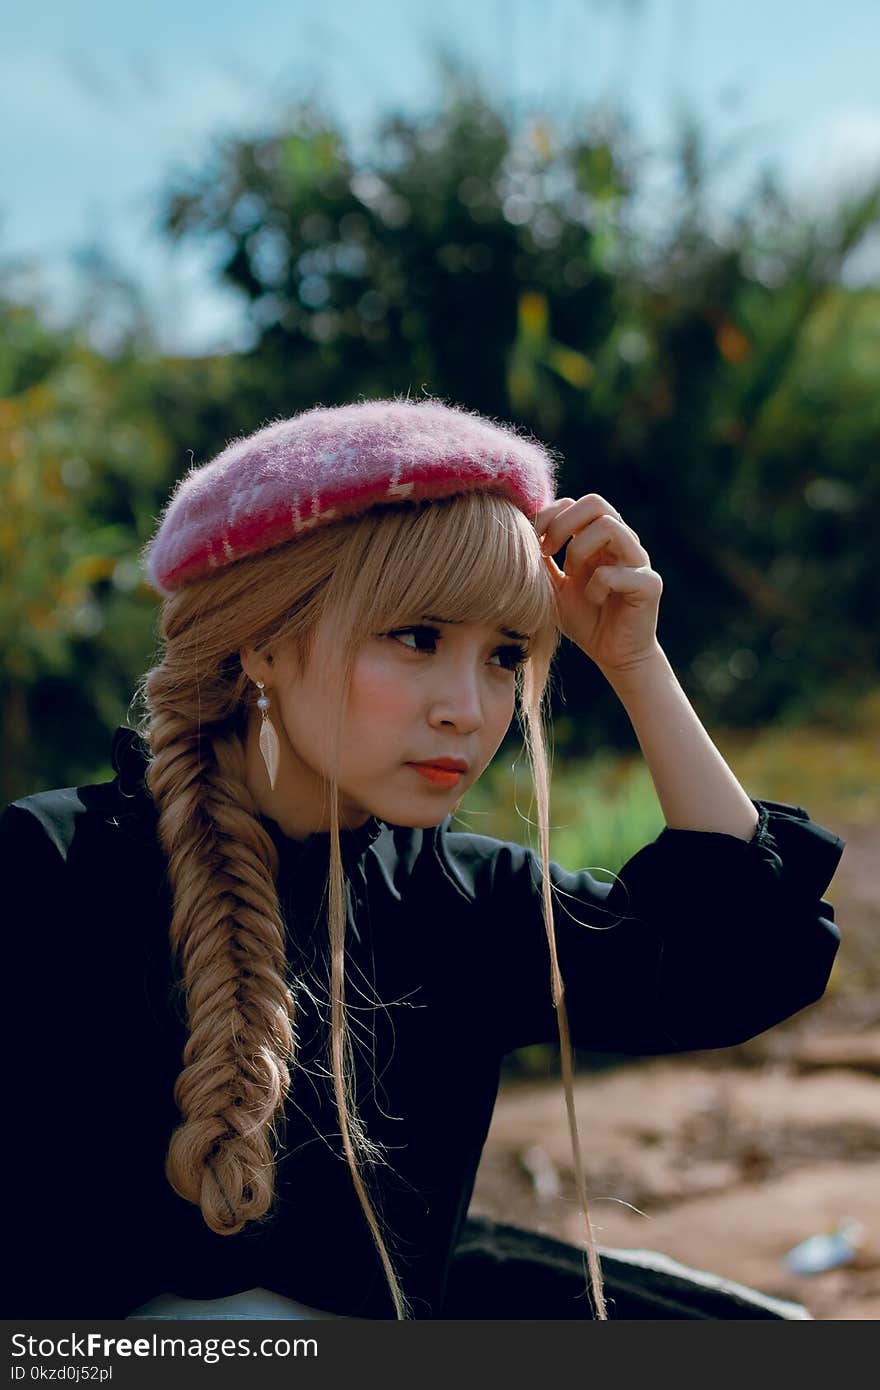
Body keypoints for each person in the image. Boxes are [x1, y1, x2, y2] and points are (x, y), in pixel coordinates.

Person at [2, 397, 844, 1322]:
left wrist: (637, 665)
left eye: (505, 656)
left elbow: (743, 963)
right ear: (265, 640)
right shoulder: (49, 874)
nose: (469, 710)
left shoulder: (463, 899)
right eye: (417, 637)